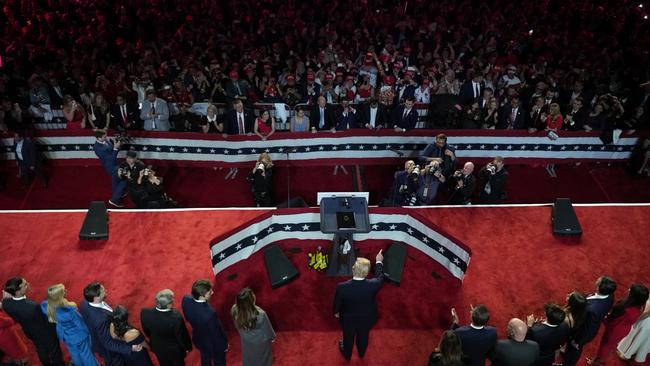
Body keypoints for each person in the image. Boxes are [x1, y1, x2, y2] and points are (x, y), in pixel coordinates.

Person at [333, 250, 385, 360]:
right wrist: (378, 261)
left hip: (348, 319)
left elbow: (337, 303)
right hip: (367, 318)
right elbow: (380, 276)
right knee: (364, 336)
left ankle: (347, 354)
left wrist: (336, 312)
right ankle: (361, 353)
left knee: (348, 337)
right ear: (366, 273)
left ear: (353, 270)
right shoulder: (374, 284)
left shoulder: (341, 287)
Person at [3, 277, 65, 366]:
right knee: (54, 351)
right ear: (18, 292)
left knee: (40, 348)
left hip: (29, 331)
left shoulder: (6, 304)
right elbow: (45, 321)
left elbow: (14, 317)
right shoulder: (33, 306)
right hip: (46, 332)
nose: (28, 284)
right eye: (25, 285)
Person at [79, 282, 141, 365]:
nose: (106, 291)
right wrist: (130, 348)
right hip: (110, 352)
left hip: (99, 337)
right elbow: (108, 343)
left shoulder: (85, 303)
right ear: (96, 298)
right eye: (103, 291)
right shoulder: (100, 320)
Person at [587, 284, 649, 365]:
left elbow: (613, 322)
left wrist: (604, 319)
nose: (629, 289)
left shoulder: (625, 308)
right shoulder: (641, 307)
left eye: (631, 290)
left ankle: (596, 362)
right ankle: (599, 360)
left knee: (605, 346)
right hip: (624, 329)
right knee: (609, 346)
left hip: (615, 330)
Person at [41, 284, 100, 366]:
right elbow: (81, 325)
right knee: (87, 355)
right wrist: (90, 332)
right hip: (79, 337)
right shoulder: (70, 312)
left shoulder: (46, 307)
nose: (66, 291)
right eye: (63, 291)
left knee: (75, 354)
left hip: (65, 336)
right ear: (59, 297)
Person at [563, 276, 617, 366]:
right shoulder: (609, 295)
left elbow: (589, 329)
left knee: (573, 350)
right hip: (585, 323)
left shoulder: (593, 310)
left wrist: (577, 341)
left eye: (599, 280)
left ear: (599, 287)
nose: (598, 279)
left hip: (579, 334)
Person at [181, 279, 228, 366]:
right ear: (202, 296)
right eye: (209, 292)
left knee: (205, 357)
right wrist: (224, 345)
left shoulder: (185, 299)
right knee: (219, 361)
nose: (213, 292)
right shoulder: (210, 314)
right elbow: (216, 334)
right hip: (212, 344)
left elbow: (187, 317)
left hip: (198, 339)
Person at [140, 289, 192, 366]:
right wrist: (187, 347)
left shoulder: (144, 313)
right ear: (168, 305)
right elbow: (181, 336)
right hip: (175, 351)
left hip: (157, 347)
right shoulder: (176, 318)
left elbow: (146, 331)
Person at [231, 288, 276, 366]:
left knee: (250, 357)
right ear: (251, 300)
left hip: (246, 340)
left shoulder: (234, 310)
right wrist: (273, 337)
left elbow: (237, 326)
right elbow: (268, 330)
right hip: (261, 342)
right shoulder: (260, 313)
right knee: (264, 359)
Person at [94, 129, 128, 207]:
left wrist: (118, 145)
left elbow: (113, 150)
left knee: (116, 182)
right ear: (99, 138)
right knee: (124, 180)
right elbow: (110, 159)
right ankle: (115, 199)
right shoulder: (98, 148)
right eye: (104, 136)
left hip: (115, 164)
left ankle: (119, 193)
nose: (106, 137)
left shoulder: (107, 141)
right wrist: (115, 148)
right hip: (111, 167)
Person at [617, 297, 650, 363]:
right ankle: (635, 352)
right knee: (643, 339)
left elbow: (647, 313)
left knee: (637, 337)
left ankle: (626, 354)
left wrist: (636, 319)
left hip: (646, 322)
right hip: (647, 322)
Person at [0, 295, 29, 365]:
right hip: (5, 336)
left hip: (4, 337)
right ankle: (20, 362)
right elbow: (9, 321)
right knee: (18, 353)